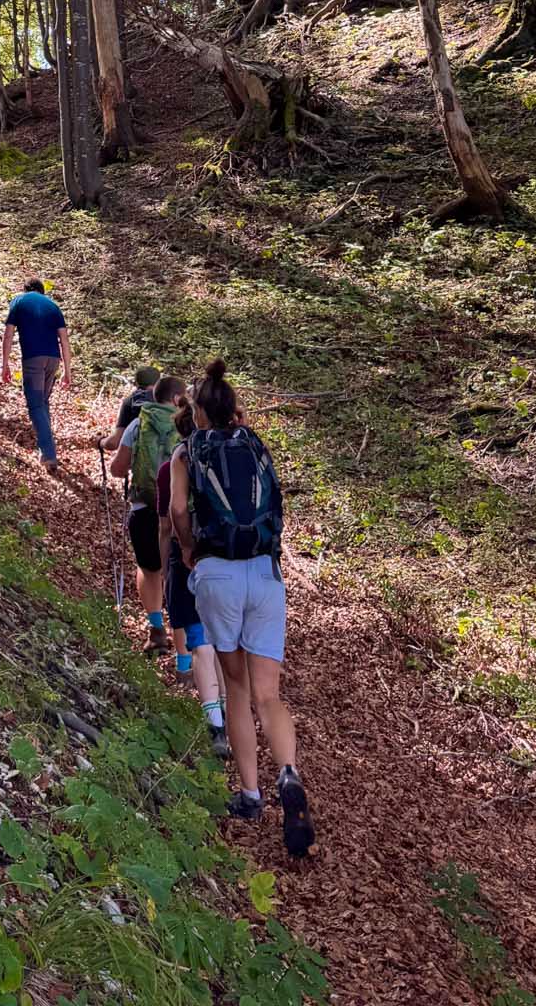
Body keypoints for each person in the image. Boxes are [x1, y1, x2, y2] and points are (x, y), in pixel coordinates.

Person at [170, 359, 315, 858]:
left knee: (236, 687)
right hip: (265, 574)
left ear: (200, 413)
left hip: (218, 574)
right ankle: (289, 776)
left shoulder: (188, 451)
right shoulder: (256, 445)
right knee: (269, 694)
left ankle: (251, 795)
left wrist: (189, 550)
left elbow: (176, 511)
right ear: (232, 408)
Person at [161, 403, 230, 756]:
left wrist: (178, 554)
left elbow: (170, 517)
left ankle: (216, 726)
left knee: (200, 643)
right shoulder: (227, 457)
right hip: (225, 559)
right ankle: (229, 714)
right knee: (219, 643)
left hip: (187, 559)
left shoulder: (176, 463)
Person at [110, 375, 185, 652]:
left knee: (148, 568)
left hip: (143, 507)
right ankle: (185, 654)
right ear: (177, 399)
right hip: (177, 512)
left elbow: (118, 469)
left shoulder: (137, 424)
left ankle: (156, 628)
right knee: (178, 575)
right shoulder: (187, 426)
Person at [1, 279, 72, 476]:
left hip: (33, 358)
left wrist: (5, 364)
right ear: (42, 291)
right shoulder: (53, 306)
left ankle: (49, 453)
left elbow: (8, 335)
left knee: (35, 405)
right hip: (53, 360)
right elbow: (64, 341)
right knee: (43, 403)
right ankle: (45, 450)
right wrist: (67, 371)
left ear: (26, 289)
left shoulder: (19, 301)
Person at [96, 365, 161, 451]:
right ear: (159, 382)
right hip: (170, 461)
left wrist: (100, 441)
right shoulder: (169, 400)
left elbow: (114, 443)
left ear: (136, 383)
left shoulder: (131, 401)